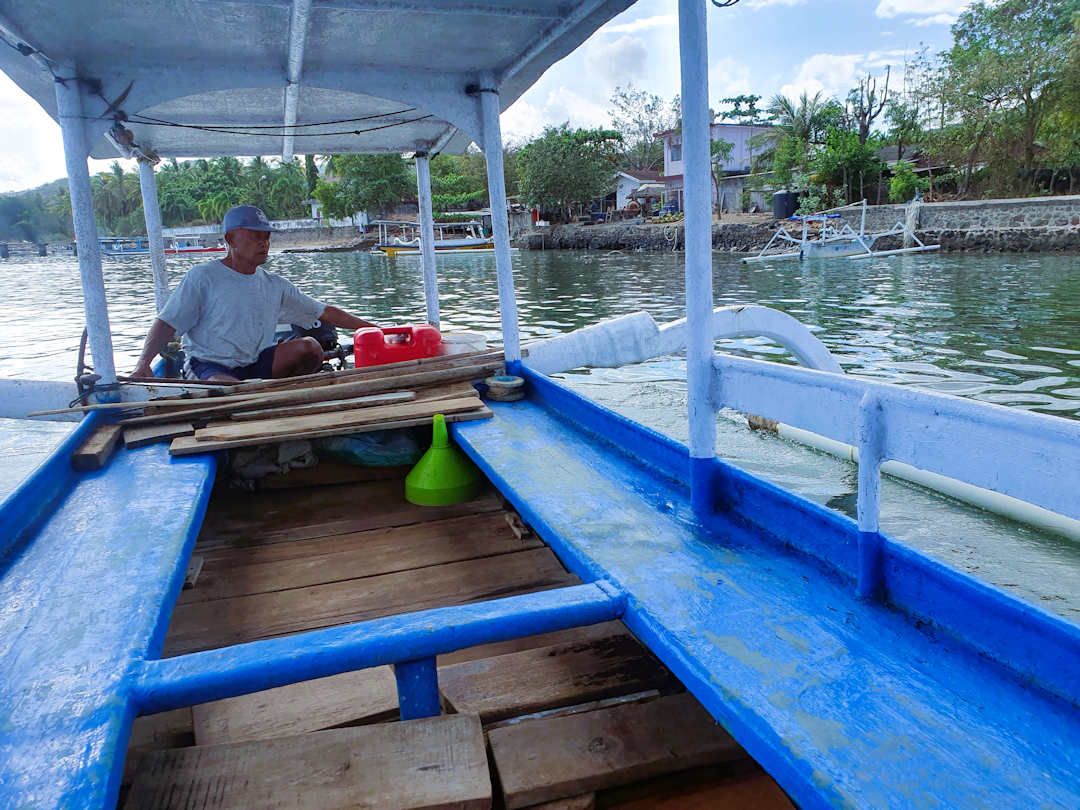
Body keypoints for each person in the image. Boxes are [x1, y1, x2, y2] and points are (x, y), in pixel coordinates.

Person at [131, 205, 376, 382]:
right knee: (227, 390)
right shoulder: (203, 277)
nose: (264, 243)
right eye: (255, 236)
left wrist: (376, 331)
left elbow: (325, 312)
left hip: (256, 363)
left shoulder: (274, 285)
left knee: (311, 347)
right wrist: (143, 363)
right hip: (211, 365)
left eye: (267, 237)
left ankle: (280, 394)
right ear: (230, 239)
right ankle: (256, 396)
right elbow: (166, 323)